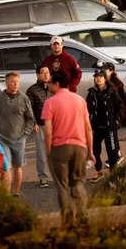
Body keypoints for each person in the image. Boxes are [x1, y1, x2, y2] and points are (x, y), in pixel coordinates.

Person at [42, 71, 94, 226]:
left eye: (50, 82)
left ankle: (68, 220)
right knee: (78, 183)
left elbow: (48, 131)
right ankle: (83, 215)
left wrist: (48, 151)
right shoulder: (79, 100)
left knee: (62, 186)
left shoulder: (50, 102)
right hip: (80, 147)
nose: (48, 84)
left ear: (57, 84)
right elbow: (88, 128)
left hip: (60, 148)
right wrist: (90, 151)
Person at [0, 71, 35, 196]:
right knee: (6, 167)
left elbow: (30, 118)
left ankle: (16, 192)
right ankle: (6, 194)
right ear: (7, 82)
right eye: (12, 82)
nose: (15, 84)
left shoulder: (24, 98)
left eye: (17, 82)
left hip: (19, 138)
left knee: (18, 167)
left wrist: (25, 133)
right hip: (2, 138)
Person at [86, 68, 123, 180]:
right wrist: (89, 123)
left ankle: (113, 173)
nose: (98, 79)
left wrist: (117, 120)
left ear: (105, 78)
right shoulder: (91, 93)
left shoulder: (111, 91)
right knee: (95, 151)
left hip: (109, 127)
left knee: (112, 151)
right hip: (96, 127)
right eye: (96, 76)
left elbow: (120, 106)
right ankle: (99, 171)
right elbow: (87, 109)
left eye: (101, 76)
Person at [26, 66, 52, 188]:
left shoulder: (54, 88)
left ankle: (60, 177)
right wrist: (34, 123)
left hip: (55, 125)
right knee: (42, 153)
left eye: (47, 72)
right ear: (37, 75)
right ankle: (43, 178)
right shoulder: (32, 90)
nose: (46, 75)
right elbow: (28, 109)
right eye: (42, 73)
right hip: (40, 125)